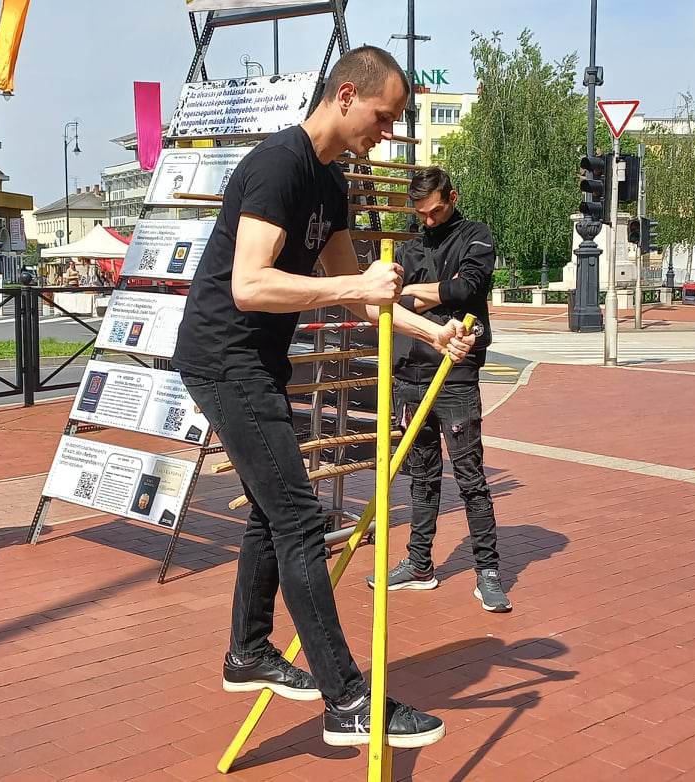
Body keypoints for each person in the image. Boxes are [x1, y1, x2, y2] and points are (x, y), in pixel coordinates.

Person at [172, 45, 473, 749]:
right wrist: (353, 286)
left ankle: (248, 651)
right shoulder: (279, 166)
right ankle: (347, 701)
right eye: (383, 117)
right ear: (345, 96)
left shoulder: (332, 183)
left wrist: (431, 333)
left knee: (272, 511)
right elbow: (250, 283)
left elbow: (362, 299)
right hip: (223, 359)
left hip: (255, 363)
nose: (387, 134)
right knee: (301, 519)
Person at [365, 166, 509, 614]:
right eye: (421, 214)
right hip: (409, 373)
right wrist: (431, 293)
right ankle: (419, 563)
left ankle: (488, 571)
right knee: (422, 477)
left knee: (470, 476)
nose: (428, 220)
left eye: (435, 211)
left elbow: (468, 288)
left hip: (456, 375)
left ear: (452, 197)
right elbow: (391, 301)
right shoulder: (409, 248)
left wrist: (417, 291)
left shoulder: (475, 236)